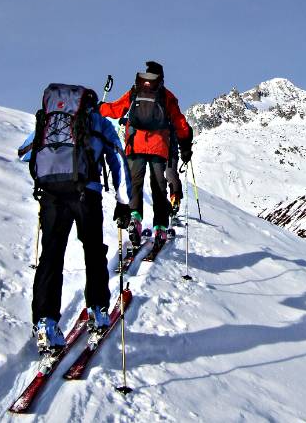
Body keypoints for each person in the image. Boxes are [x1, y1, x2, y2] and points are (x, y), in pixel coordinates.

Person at [18, 84, 132, 353]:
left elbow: (25, 152)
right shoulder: (98, 123)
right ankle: (98, 309)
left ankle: (46, 322)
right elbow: (118, 159)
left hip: (52, 195)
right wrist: (123, 202)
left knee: (51, 256)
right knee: (93, 250)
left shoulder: (50, 121)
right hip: (86, 194)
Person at [99, 61, 193, 249]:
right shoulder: (166, 96)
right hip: (159, 147)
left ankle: (135, 218)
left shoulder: (135, 91)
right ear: (161, 77)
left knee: (135, 184)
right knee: (158, 187)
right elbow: (180, 123)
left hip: (135, 145)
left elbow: (116, 109)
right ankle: (160, 227)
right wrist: (185, 145)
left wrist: (99, 107)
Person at [165, 128, 183, 220]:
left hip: (166, 151)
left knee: (170, 175)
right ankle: (174, 200)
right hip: (166, 151)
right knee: (170, 175)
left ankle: (175, 200)